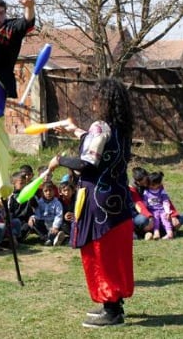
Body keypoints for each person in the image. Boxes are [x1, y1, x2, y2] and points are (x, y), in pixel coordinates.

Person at [47, 78, 134, 328]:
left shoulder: (100, 127)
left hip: (98, 204)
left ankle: (112, 310)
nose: (93, 102)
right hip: (118, 201)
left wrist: (59, 160)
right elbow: (96, 142)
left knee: (101, 253)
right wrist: (74, 130)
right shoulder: (121, 130)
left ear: (104, 101)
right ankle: (113, 303)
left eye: (97, 97)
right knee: (115, 253)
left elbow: (87, 163)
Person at [29, 181, 65, 246]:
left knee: (54, 230)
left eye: (50, 190)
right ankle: (49, 239)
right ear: (42, 193)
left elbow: (58, 216)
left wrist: (55, 227)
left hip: (52, 223)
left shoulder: (57, 203)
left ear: (54, 191)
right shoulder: (39, 202)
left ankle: (52, 238)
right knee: (34, 222)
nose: (48, 193)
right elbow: (38, 215)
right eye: (46, 191)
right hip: (43, 224)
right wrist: (33, 217)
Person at [143, 171, 175, 240]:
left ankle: (170, 233)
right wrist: (146, 211)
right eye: (150, 185)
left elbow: (165, 201)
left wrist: (167, 212)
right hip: (152, 210)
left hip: (162, 210)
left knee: (166, 220)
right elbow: (145, 202)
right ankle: (156, 233)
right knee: (155, 220)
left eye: (153, 185)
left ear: (159, 184)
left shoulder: (162, 191)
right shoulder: (146, 192)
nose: (151, 186)